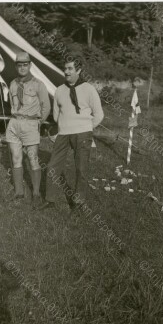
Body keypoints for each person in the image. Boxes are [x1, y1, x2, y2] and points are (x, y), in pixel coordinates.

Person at [40, 55, 104, 214]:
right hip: (63, 134)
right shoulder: (59, 90)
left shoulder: (89, 89)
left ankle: (78, 203)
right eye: (65, 68)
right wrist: (65, 125)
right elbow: (56, 115)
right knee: (52, 166)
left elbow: (99, 114)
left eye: (70, 69)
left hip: (83, 134)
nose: (66, 72)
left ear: (79, 70)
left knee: (81, 169)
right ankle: (50, 200)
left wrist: (87, 128)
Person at [6, 51, 50, 207]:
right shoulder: (12, 84)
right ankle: (19, 193)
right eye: (19, 65)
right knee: (16, 158)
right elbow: (11, 104)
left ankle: (36, 194)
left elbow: (46, 106)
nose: (22, 68)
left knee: (33, 159)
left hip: (30, 124)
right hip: (14, 124)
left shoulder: (38, 84)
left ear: (30, 65)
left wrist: (39, 122)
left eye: (25, 64)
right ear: (16, 66)